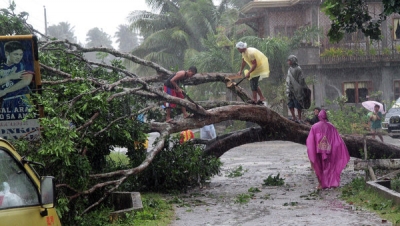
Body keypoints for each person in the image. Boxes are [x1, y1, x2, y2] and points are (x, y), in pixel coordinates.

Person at [306, 110, 350, 190]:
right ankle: (332, 183)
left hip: (318, 150)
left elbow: (310, 140)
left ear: (319, 116)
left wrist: (312, 150)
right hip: (329, 151)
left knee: (319, 167)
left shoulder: (315, 127)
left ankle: (320, 184)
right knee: (330, 166)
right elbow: (337, 139)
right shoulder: (331, 126)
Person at [0, 41, 34, 120]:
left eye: (21, 54)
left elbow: (26, 81)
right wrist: (11, 77)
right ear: (7, 54)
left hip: (22, 98)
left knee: (27, 122)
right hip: (5, 102)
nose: (19, 57)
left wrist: (6, 91)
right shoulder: (1, 66)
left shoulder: (23, 65)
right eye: (15, 54)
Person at [286, 55, 307, 123]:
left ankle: (299, 118)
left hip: (297, 89)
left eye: (289, 60)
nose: (288, 62)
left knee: (298, 104)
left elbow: (301, 79)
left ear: (293, 60)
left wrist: (300, 88)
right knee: (290, 104)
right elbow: (288, 79)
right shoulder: (289, 69)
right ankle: (294, 117)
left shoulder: (298, 69)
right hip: (290, 89)